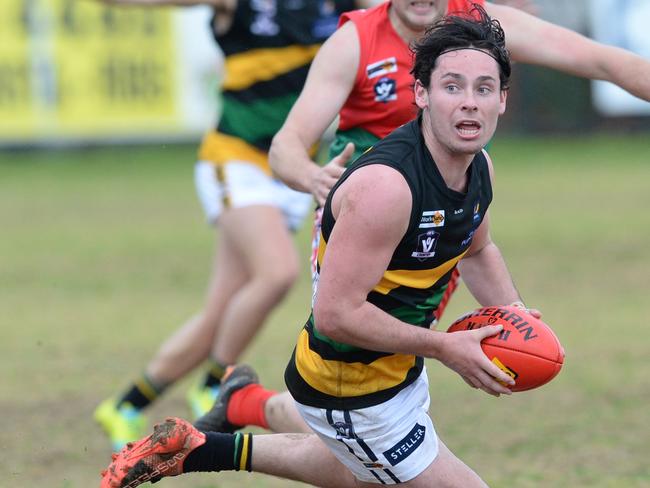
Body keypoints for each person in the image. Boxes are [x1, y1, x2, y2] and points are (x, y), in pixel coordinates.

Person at [101, 8, 534, 487]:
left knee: (358, 476)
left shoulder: (479, 169)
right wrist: (444, 347)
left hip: (397, 374)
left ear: (502, 101)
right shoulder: (385, 189)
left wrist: (516, 315)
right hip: (348, 386)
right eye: (452, 86)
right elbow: (335, 315)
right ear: (421, 94)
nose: (469, 103)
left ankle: (209, 437)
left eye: (483, 89)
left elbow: (477, 249)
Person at [202, 0, 650, 437]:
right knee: (356, 375)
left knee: (382, 386)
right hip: (366, 223)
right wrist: (316, 178)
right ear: (422, 90)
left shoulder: (480, 27)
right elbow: (286, 148)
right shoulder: (355, 40)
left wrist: (512, 311)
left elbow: (605, 62)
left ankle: (246, 404)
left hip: (444, 220)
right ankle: (251, 411)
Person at [93, 0, 377, 452]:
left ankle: (125, 405)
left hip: (289, 170)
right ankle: (216, 384)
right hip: (236, 158)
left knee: (222, 312)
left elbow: (411, 14)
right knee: (277, 273)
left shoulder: (345, 7)